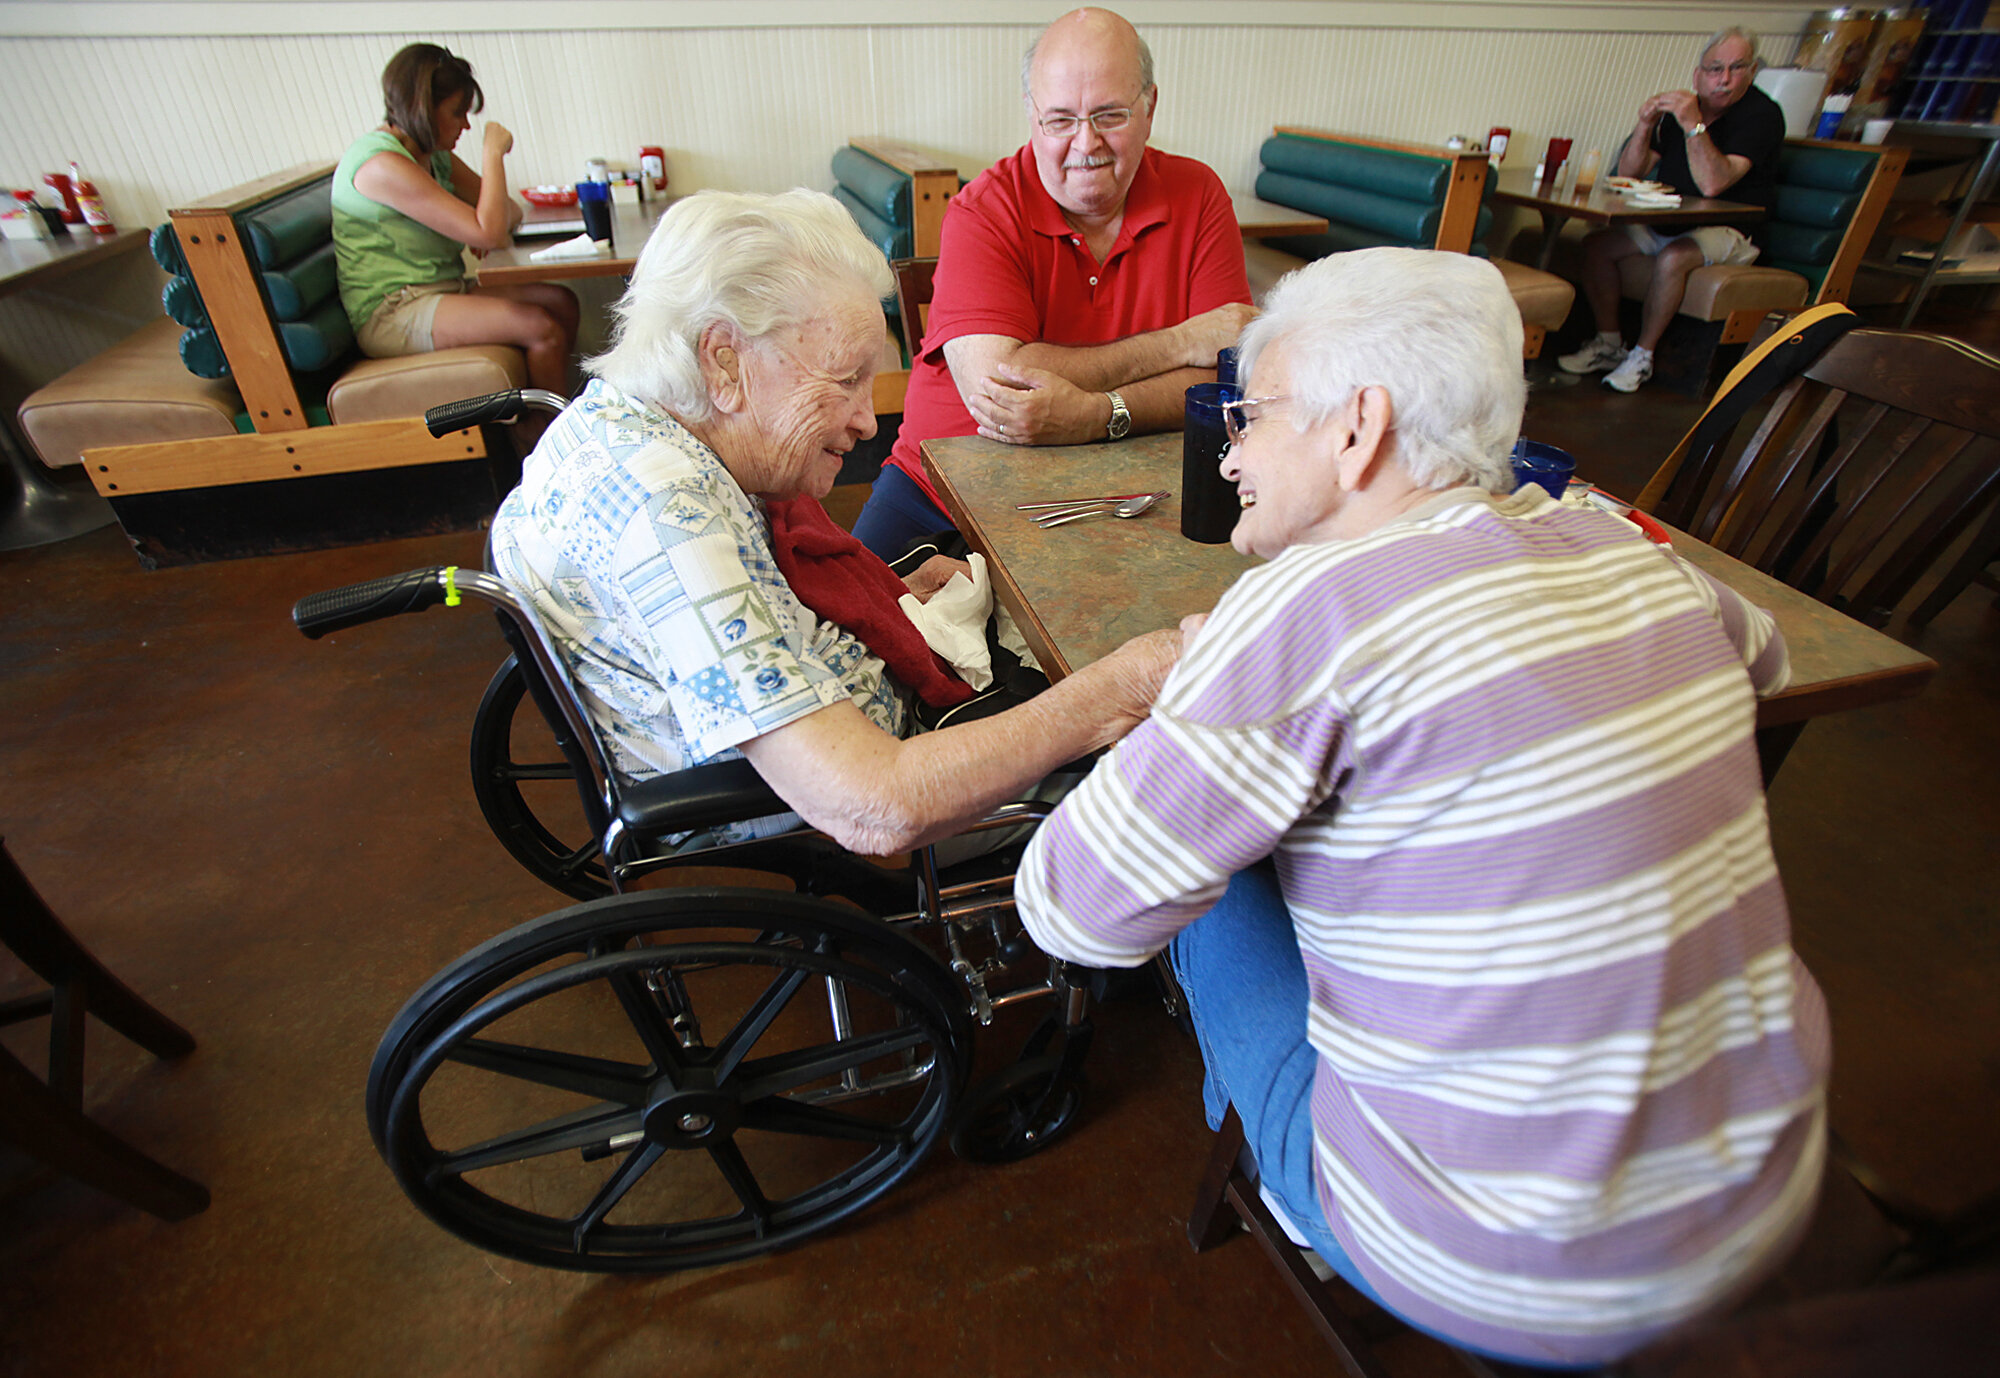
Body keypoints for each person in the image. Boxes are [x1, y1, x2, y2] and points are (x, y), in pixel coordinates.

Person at [1015, 247, 1829, 1367]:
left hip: (1495, 1266)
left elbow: (1068, 915)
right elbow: (1767, 662)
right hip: (1766, 1190)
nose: (1230, 447)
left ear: (1356, 427)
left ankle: (1306, 1183)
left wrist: (1179, 732)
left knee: (1202, 868)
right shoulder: (1623, 551)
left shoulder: (1305, 607)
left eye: (1251, 413)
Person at [488, 189, 1184, 858]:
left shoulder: (621, 425)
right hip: (845, 815)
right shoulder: (665, 517)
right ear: (723, 359)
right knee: (1168, 760)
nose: (865, 418)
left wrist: (890, 588)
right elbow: (875, 806)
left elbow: (741, 611)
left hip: (845, 722)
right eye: (846, 378)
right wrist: (1124, 685)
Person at [851, 7, 1255, 558]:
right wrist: (1181, 341)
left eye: (1110, 116)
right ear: (1031, 115)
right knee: (854, 635)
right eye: (1061, 120)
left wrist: (1093, 414)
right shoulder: (982, 210)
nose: (1086, 145)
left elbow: (1223, 385)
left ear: (1150, 107)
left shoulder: (1199, 194)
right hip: (940, 495)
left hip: (1127, 498)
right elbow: (1001, 382)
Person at [333, 43, 580, 399]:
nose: (465, 124)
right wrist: (492, 152)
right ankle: (543, 441)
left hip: (440, 290)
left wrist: (481, 226)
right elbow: (492, 231)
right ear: (422, 110)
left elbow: (507, 212)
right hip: (393, 310)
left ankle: (536, 420)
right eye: (457, 113)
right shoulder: (382, 166)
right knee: (543, 328)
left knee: (561, 302)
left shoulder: (432, 156)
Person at [1558, 26, 1786, 393]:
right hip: (1673, 219)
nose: (1724, 79)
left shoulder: (1761, 115)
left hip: (1736, 229)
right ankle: (1609, 344)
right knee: (1597, 245)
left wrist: (1692, 126)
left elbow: (1715, 183)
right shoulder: (1683, 110)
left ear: (1753, 70)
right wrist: (1645, 124)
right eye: (1714, 69)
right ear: (1698, 75)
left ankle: (1642, 357)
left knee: (1673, 257)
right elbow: (1628, 173)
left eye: (1736, 68)